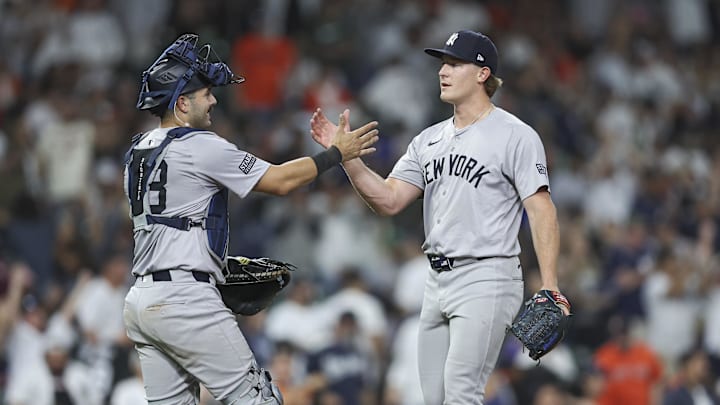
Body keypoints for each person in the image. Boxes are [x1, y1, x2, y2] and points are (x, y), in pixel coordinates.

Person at [310, 30, 570, 404]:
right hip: (436, 281)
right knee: (435, 398)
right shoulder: (428, 140)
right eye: (442, 64)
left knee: (462, 393)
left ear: (482, 74)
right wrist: (345, 157)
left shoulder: (515, 135)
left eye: (454, 63)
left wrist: (550, 284)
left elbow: (541, 208)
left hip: (487, 275)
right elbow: (389, 199)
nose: (443, 71)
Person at [122, 33, 378, 405]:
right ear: (181, 104)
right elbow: (280, 181)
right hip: (185, 298)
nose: (213, 99)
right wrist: (337, 153)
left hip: (143, 299)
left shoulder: (136, 150)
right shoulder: (200, 145)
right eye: (204, 93)